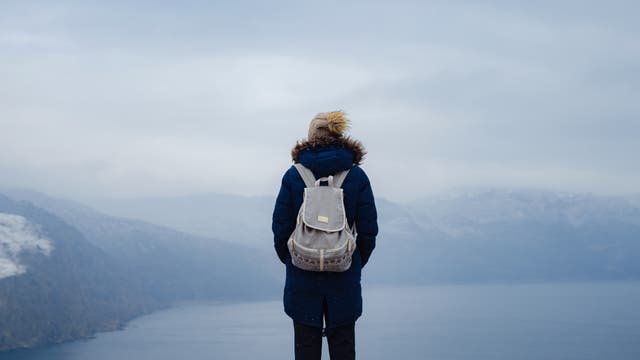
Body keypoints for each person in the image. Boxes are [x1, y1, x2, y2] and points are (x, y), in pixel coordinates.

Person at [272, 111, 378, 360]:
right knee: (343, 348)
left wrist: (293, 258)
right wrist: (354, 260)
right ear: (339, 137)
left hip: (302, 274)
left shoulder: (293, 175)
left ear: (310, 138)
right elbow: (369, 231)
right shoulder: (356, 176)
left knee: (306, 349)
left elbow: (280, 228)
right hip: (344, 275)